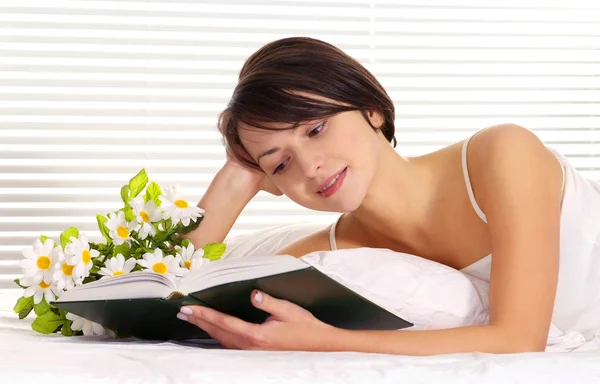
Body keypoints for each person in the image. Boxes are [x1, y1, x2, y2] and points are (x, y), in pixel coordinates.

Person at [177, 36, 600, 355]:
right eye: (280, 164)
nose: (310, 167)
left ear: (370, 109)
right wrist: (236, 177)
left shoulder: (502, 155)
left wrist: (329, 341)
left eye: (316, 129)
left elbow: (519, 339)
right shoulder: (330, 255)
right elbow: (174, 288)